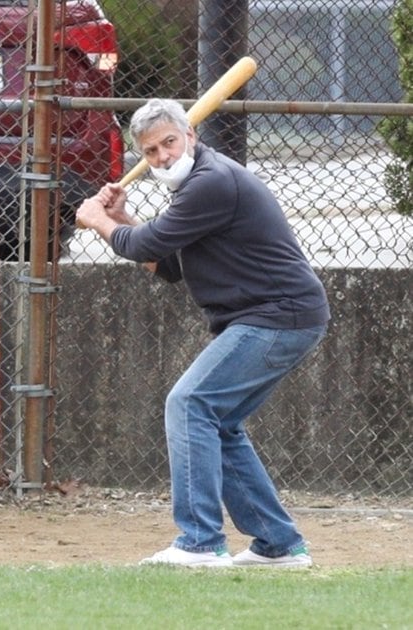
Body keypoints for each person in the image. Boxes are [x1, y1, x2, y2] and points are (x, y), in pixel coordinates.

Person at [76, 98, 330, 569]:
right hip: (274, 316)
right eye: (150, 152)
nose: (162, 157)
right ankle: (278, 544)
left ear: (190, 136)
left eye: (169, 143)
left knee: (190, 403)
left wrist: (99, 221)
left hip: (278, 315)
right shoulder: (196, 185)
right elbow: (168, 264)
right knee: (219, 422)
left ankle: (199, 542)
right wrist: (121, 221)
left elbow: (146, 244)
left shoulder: (211, 182)